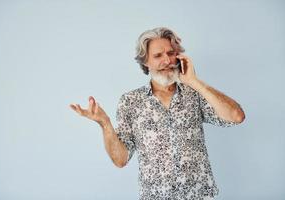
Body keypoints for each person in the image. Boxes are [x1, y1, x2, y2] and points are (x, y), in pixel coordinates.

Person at [70, 27, 245, 200]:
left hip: (199, 195)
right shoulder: (131, 101)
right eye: (158, 56)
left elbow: (236, 117)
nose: (167, 60)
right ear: (145, 61)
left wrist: (194, 82)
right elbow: (120, 160)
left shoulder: (195, 94)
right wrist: (104, 123)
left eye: (171, 53)